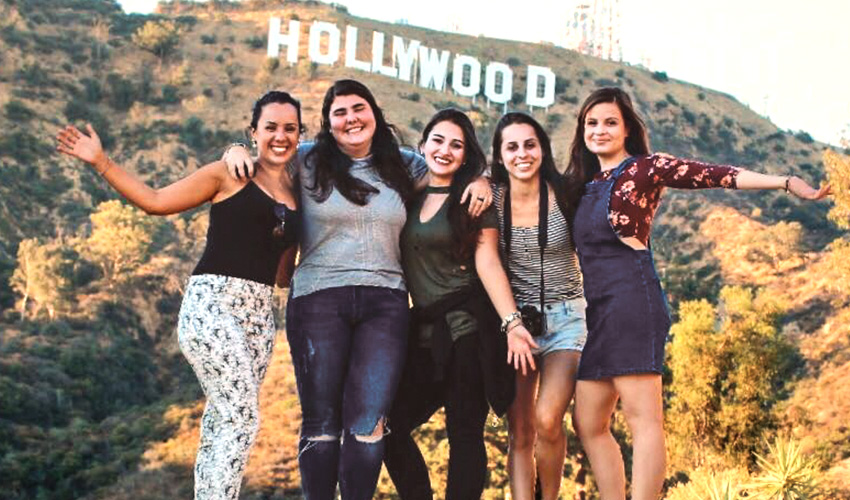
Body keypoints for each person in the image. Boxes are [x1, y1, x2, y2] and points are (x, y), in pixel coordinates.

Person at [222, 80, 492, 500]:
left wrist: (484, 179)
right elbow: (265, 160)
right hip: (317, 300)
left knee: (368, 422)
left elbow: (451, 166)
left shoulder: (403, 165)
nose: (351, 118)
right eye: (340, 112)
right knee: (322, 422)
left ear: (375, 114)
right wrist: (234, 150)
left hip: (385, 305)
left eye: (358, 108)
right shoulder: (306, 159)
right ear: (328, 123)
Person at [565, 87, 830, 500]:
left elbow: (714, 174)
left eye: (610, 122)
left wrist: (783, 182)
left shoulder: (645, 169)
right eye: (592, 123)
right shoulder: (581, 185)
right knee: (587, 421)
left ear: (627, 129)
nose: (600, 130)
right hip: (597, 311)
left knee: (643, 418)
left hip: (633, 300)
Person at [55, 90, 303, 500]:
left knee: (220, 422)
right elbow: (154, 202)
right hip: (212, 305)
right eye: (270, 127)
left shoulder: (299, 194)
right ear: (253, 131)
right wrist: (102, 163)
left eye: (290, 128)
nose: (280, 136)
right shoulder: (228, 174)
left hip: (260, 318)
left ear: (299, 134)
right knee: (242, 419)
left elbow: (281, 276)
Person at [383, 109, 537, 500]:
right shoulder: (409, 196)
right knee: (386, 424)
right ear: (422, 146)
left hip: (468, 331)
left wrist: (513, 323)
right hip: (425, 334)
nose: (445, 150)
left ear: (466, 153)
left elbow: (487, 261)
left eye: (457, 144)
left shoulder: (471, 198)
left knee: (464, 434)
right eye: (438, 140)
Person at [489, 112, 588, 500]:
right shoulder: (491, 200)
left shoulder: (566, 192)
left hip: (567, 317)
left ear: (543, 149)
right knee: (521, 430)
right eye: (511, 147)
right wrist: (512, 323)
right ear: (499, 156)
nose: (522, 154)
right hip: (516, 323)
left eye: (530, 144)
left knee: (548, 418)